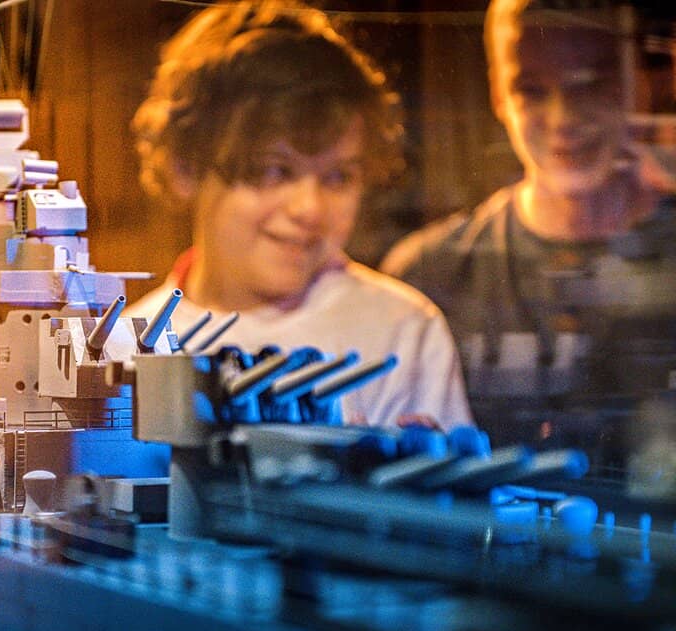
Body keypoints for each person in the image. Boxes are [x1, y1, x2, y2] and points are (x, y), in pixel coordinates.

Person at [127, 0, 472, 430]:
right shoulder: (126, 346)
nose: (309, 209)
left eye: (338, 177)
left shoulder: (400, 331)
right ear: (185, 168)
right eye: (273, 170)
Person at [381, 0, 676, 476]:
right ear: (499, 96)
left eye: (590, 84)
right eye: (532, 90)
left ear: (638, 83)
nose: (563, 118)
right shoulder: (427, 276)